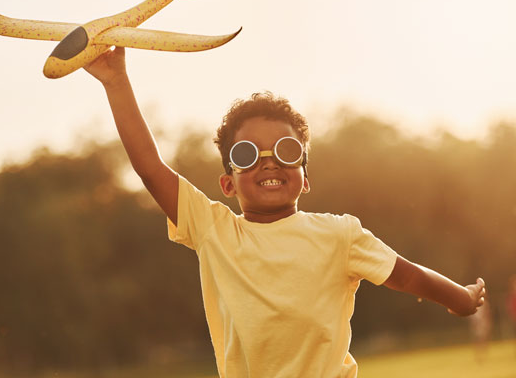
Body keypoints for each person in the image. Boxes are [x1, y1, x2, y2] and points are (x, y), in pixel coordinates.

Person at [84, 47, 486, 378]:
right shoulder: (214, 230)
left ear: (305, 178)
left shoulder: (340, 234)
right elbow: (150, 169)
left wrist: (460, 299)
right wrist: (117, 82)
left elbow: (406, 274)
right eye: (246, 155)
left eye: (286, 152)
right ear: (228, 184)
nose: (269, 162)